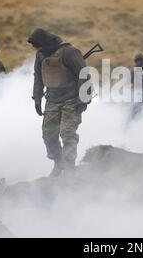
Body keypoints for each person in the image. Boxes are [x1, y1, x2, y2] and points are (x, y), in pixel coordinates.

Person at [29, 28, 90, 177]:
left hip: (71, 100)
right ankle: (58, 162)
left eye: (39, 46)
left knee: (67, 133)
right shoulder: (41, 55)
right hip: (52, 100)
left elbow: (84, 74)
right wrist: (37, 98)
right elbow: (38, 76)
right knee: (49, 134)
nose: (38, 50)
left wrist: (84, 99)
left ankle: (69, 168)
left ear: (46, 42)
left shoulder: (69, 52)